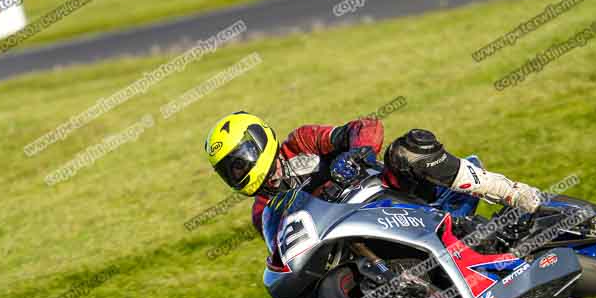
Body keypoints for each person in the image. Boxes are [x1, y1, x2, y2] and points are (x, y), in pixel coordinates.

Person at [203, 111, 543, 235]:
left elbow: (364, 126)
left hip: (395, 196)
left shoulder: (302, 141)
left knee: (407, 150)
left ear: (258, 142)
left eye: (239, 161)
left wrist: (358, 153)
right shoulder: (263, 210)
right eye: (229, 171)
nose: (238, 172)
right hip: (356, 236)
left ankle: (511, 192)